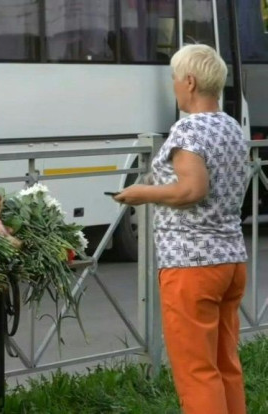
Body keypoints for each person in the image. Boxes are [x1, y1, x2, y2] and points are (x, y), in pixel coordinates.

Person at [114, 44, 248, 414]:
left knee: (196, 371)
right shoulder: (231, 126)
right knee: (225, 365)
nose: (173, 86)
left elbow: (191, 190)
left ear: (189, 82)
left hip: (191, 265)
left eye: (175, 79)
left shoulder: (188, 130)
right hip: (231, 260)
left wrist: (143, 192)